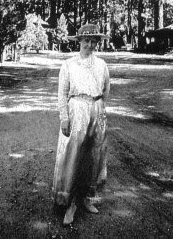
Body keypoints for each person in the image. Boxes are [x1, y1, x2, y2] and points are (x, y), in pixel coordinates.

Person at [52, 24, 110, 225]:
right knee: (74, 155)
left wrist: (99, 110)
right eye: (86, 40)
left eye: (94, 41)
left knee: (94, 156)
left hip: (97, 108)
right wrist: (64, 117)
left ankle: (86, 198)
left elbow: (106, 89)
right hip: (76, 108)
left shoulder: (102, 64)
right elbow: (62, 93)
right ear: (79, 42)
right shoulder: (69, 64)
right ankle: (69, 203)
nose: (90, 44)